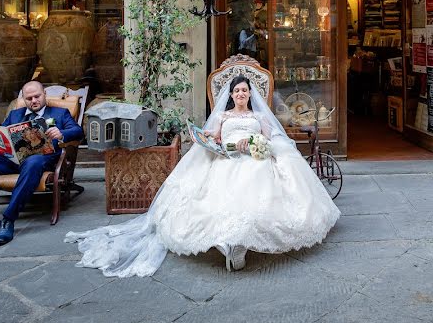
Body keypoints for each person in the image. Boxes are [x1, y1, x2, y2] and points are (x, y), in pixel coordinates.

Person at [66, 75, 340, 276]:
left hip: (254, 157)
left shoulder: (261, 117)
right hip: (227, 156)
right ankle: (226, 243)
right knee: (216, 189)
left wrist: (258, 145)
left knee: (258, 179)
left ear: (250, 94)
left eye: (245, 90)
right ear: (231, 94)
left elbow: (271, 141)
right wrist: (209, 137)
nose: (241, 94)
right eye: (237, 91)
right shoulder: (222, 116)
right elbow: (215, 139)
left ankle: (240, 242)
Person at [0, 80, 83, 247]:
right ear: (24, 99)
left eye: (37, 96)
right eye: (29, 98)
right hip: (12, 160)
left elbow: (78, 131)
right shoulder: (15, 115)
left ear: (44, 95)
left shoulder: (60, 113)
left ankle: (8, 219)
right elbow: (2, 136)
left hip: (42, 160)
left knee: (33, 161)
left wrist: (61, 132)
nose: (34, 101)